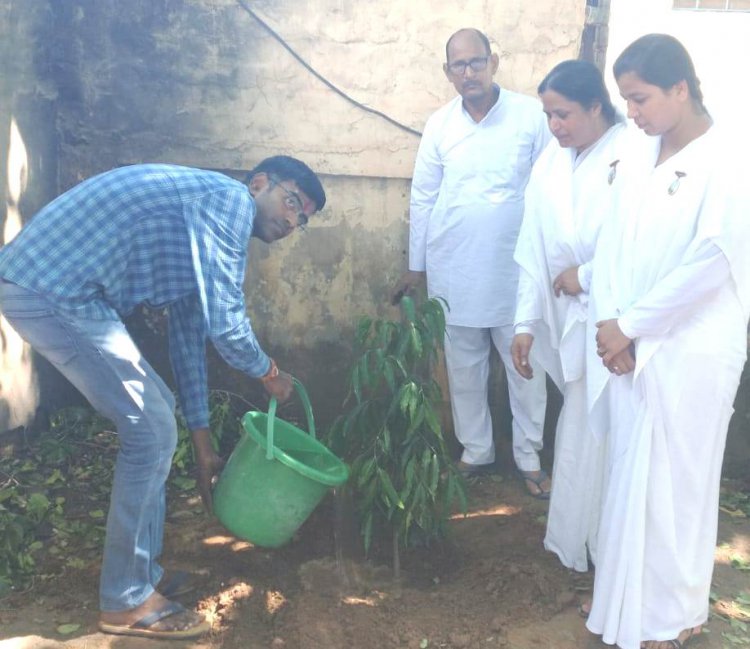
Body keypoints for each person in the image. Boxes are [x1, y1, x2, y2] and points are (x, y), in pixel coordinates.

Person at [0, 157, 326, 639]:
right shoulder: (229, 204)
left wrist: (202, 445)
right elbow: (228, 327)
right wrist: (269, 373)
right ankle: (126, 601)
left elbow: (190, 339)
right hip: (54, 288)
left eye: (303, 219)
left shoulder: (201, 233)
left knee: (155, 425)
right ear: (260, 184)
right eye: (293, 202)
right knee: (150, 429)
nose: (293, 221)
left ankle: (142, 577)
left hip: (65, 291)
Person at [585, 34, 750, 649]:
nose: (632, 112)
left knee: (679, 482)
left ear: (681, 88)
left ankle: (675, 615)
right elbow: (612, 244)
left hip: (692, 348)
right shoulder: (638, 152)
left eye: (641, 98)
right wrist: (611, 325)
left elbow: (711, 261)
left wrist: (630, 326)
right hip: (629, 342)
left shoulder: (729, 159)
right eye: (627, 100)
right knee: (632, 476)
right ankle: (623, 607)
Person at [392, 28, 551, 494]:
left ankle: (528, 455)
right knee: (463, 368)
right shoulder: (440, 124)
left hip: (515, 269)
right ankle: (476, 450)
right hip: (454, 268)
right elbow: (423, 197)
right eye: (459, 66)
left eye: (476, 62)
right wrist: (416, 265)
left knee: (526, 367)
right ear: (448, 73)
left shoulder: (529, 116)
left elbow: (548, 189)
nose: (469, 72)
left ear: (493, 63)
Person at [511, 60, 624, 571]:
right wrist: (523, 325)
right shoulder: (551, 164)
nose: (554, 126)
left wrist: (589, 277)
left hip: (622, 328)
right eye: (548, 115)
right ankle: (574, 542)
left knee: (615, 439)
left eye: (564, 114)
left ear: (596, 106)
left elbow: (645, 249)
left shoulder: (634, 154)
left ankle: (611, 552)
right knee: (578, 431)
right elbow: (532, 252)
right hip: (569, 320)